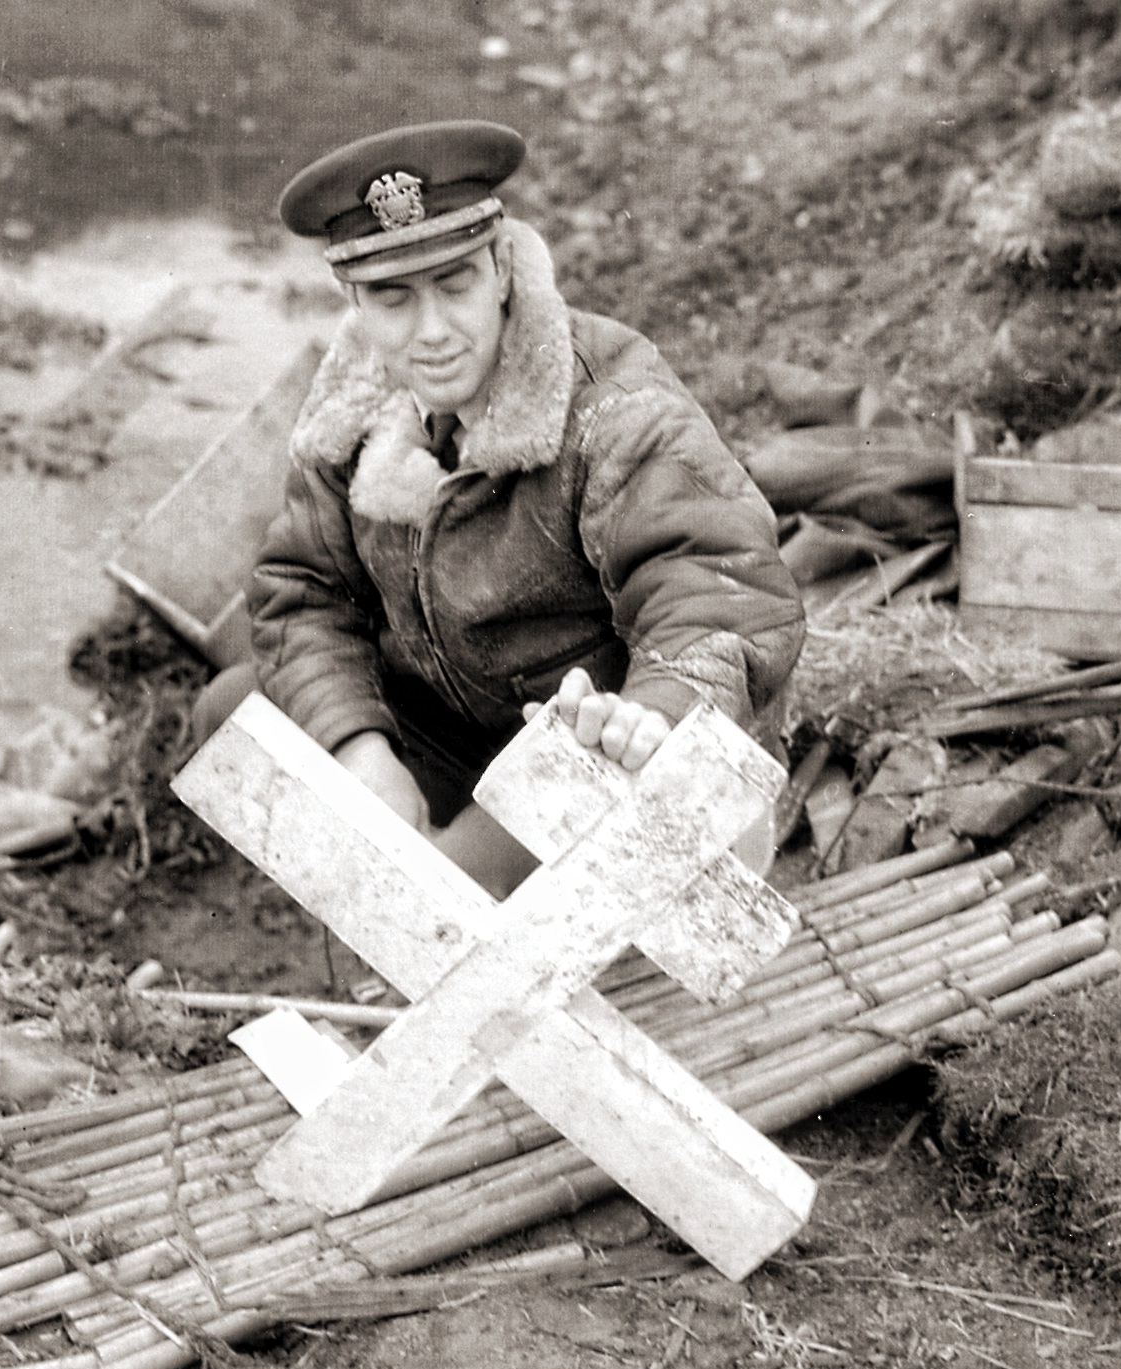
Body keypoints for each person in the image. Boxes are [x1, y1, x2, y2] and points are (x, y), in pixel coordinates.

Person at [194, 120, 804, 896]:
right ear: (354, 302)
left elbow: (715, 583)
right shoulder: (351, 410)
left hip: (601, 749)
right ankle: (409, 912)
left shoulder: (610, 405)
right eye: (393, 299)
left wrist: (654, 714)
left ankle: (448, 928)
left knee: (437, 896)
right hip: (460, 737)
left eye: (456, 285)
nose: (434, 333)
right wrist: (358, 746)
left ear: (503, 269)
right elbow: (303, 593)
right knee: (236, 719)